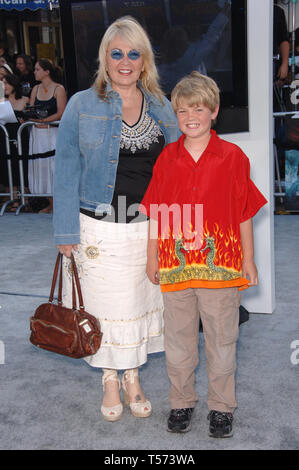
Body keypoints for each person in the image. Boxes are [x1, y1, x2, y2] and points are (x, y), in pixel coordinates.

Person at [53, 16, 180, 422]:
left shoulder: (162, 106)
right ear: (105, 58)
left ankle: (132, 377)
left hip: (146, 230)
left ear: (145, 61)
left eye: (134, 53)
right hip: (97, 229)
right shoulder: (80, 104)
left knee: (139, 305)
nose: (125, 61)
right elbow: (66, 168)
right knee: (104, 308)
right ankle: (110, 377)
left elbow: (178, 170)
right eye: (117, 53)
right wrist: (65, 231)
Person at [140, 72, 267, 437]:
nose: (190, 117)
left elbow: (244, 212)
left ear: (213, 111)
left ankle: (222, 408)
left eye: (198, 109)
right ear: (175, 116)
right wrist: (153, 257)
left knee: (222, 341)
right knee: (177, 343)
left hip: (222, 269)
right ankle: (181, 403)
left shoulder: (233, 157)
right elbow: (157, 214)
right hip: (176, 269)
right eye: (182, 111)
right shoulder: (166, 158)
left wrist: (248, 259)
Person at [28, 59, 67, 213]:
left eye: (37, 69)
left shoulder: (59, 89)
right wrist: (33, 119)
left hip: (53, 133)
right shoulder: (35, 89)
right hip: (38, 133)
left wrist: (45, 121)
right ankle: (50, 202)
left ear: (47, 71)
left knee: (54, 166)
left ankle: (58, 203)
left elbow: (61, 112)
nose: (34, 72)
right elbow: (31, 109)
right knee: (41, 166)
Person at [0, 74, 30, 210]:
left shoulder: (25, 99)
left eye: (7, 83)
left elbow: (30, 116)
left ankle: (26, 199)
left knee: (22, 164)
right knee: (8, 166)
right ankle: (12, 198)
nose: (4, 86)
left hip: (21, 136)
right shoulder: (1, 101)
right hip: (5, 136)